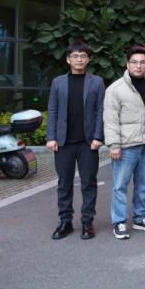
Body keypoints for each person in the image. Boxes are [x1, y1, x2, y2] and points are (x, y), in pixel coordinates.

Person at [46, 40, 105, 240]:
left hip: (88, 143)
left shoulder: (96, 82)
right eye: (75, 56)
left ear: (88, 59)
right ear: (68, 60)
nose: (79, 59)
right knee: (64, 183)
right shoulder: (58, 82)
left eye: (83, 56)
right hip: (63, 142)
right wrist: (51, 137)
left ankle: (87, 221)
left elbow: (101, 110)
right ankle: (66, 221)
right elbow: (52, 110)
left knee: (89, 183)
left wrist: (98, 136)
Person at [104, 45, 145, 240]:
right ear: (127, 64)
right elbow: (110, 119)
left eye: (142, 62)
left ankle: (140, 218)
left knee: (144, 184)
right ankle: (119, 221)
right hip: (125, 145)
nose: (139, 66)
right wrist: (113, 144)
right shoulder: (115, 89)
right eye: (134, 62)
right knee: (120, 185)